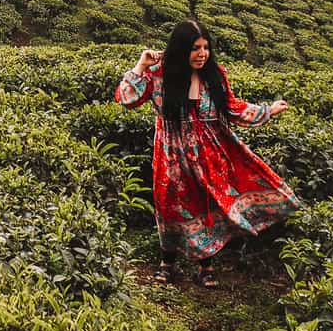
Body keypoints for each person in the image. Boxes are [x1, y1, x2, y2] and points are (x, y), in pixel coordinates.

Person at [114, 18, 300, 288]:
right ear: (180, 50)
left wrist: (267, 110)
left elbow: (232, 107)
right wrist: (141, 65)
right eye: (194, 48)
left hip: (210, 150)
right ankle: (168, 263)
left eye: (205, 47)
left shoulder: (215, 75)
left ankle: (206, 265)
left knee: (207, 202)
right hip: (171, 152)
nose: (202, 54)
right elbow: (126, 98)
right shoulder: (157, 75)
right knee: (169, 205)